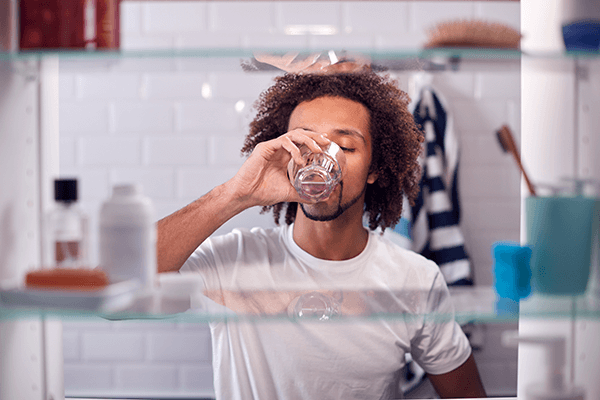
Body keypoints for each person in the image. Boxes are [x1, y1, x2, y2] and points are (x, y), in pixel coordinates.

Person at [156, 67, 487, 399]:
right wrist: (235, 194)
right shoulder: (233, 260)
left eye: (345, 146)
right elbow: (128, 284)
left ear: (373, 169)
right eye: (303, 143)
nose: (320, 158)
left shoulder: (414, 278)